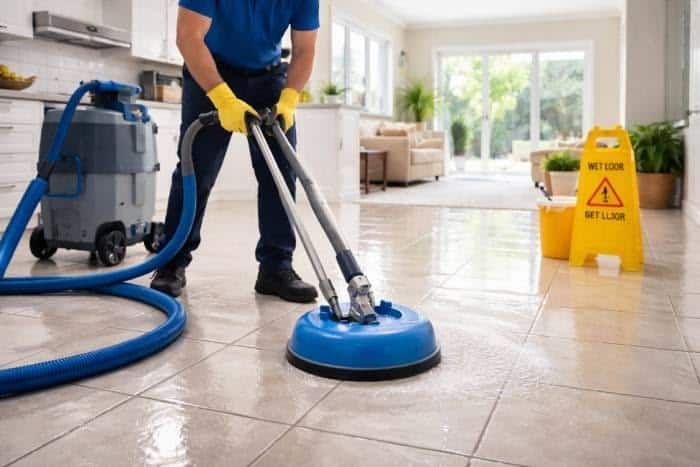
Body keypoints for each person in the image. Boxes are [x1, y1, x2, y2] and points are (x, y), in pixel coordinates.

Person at [150, 0, 319, 303]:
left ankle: (276, 268)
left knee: (280, 171)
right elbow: (189, 36)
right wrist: (223, 99)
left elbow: (305, 48)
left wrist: (289, 99)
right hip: (210, 70)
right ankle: (171, 263)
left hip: (268, 77)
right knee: (196, 169)